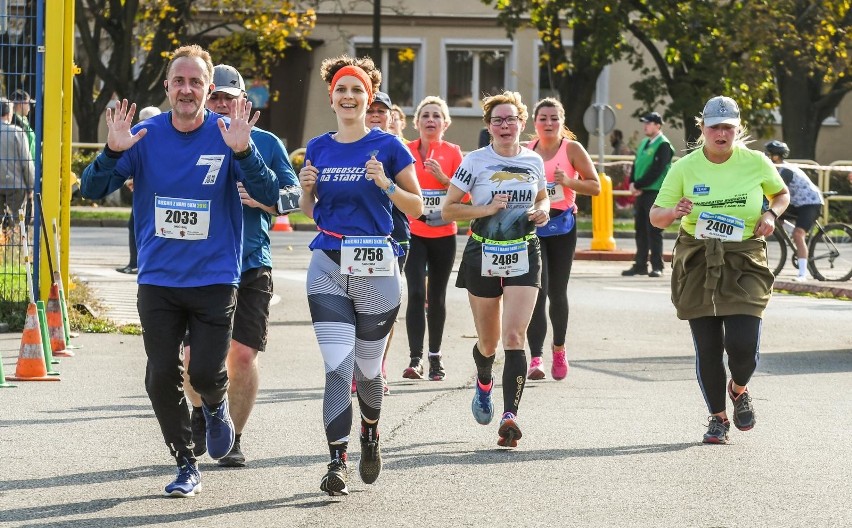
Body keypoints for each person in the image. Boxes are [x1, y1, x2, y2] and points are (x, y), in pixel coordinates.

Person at [80, 44, 280, 497]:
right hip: (159, 281)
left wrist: (245, 152)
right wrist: (112, 152)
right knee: (160, 375)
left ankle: (215, 407)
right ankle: (186, 463)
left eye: (196, 82)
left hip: (214, 279)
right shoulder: (144, 135)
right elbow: (92, 188)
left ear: (209, 90)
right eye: (179, 81)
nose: (187, 89)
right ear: (167, 88)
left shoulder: (229, 134)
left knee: (207, 374)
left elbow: (269, 192)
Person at [298, 54, 422, 496]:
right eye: (341, 90)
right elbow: (312, 213)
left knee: (369, 369)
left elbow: (418, 206)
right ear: (331, 97)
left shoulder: (389, 146)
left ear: (368, 98)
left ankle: (370, 432)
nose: (348, 97)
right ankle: (337, 460)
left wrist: (387, 184)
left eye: (357, 91)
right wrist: (307, 191)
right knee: (337, 367)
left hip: (378, 268)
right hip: (328, 264)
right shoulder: (317, 146)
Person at [649, 95, 789, 445]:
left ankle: (739, 388)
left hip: (745, 257)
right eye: (715, 127)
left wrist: (771, 214)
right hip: (698, 258)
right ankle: (718, 418)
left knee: (743, 347)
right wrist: (675, 212)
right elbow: (656, 217)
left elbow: (781, 194)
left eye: (728, 127)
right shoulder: (684, 167)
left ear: (737, 128)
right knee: (708, 346)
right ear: (703, 129)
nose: (722, 133)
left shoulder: (755, 162)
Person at [182, 64, 298, 468]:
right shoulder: (190, 138)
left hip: (251, 262)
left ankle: (234, 437)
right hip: (201, 263)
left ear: (242, 101)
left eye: (228, 98)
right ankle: (203, 412)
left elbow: (293, 196)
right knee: (194, 358)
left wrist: (264, 200)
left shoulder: (266, 142)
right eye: (214, 97)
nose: (220, 104)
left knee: (243, 356)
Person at [442, 91, 550, 448]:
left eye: (511, 119)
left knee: (514, 337)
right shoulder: (474, 161)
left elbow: (541, 195)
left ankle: (510, 417)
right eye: (498, 120)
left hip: (524, 251)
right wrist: (485, 210)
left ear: (522, 123)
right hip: (483, 252)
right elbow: (449, 210)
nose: (505, 126)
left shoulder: (533, 159)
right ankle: (484, 378)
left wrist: (544, 210)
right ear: (488, 126)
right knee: (488, 343)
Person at [524, 98, 600, 381]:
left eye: (554, 118)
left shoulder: (572, 149)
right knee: (536, 291)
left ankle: (559, 348)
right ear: (535, 122)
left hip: (563, 227)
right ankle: (535, 358)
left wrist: (568, 182)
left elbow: (596, 186)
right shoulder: (526, 151)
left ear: (562, 121)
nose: (548, 123)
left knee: (557, 292)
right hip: (533, 226)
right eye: (543, 118)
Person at [402, 96, 463, 381]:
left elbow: (468, 196)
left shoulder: (453, 153)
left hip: (444, 235)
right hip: (414, 233)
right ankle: (415, 359)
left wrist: (443, 179)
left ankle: (435, 357)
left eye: (436, 115)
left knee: (436, 297)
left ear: (445, 123)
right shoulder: (406, 151)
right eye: (425, 115)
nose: (430, 120)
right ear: (416, 123)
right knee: (415, 293)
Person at [362, 90, 408, 395]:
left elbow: (414, 199)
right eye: (371, 110)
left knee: (386, 306)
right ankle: (359, 366)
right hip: (356, 236)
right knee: (356, 305)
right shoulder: (347, 144)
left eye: (382, 110)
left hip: (395, 234)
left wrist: (387, 182)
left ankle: (378, 366)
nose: (376, 115)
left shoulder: (397, 149)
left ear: (391, 115)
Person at [623, 112, 674, 278]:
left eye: (649, 123)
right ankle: (640, 264)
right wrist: (632, 183)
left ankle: (657, 265)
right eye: (645, 123)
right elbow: (636, 164)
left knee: (654, 230)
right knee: (640, 230)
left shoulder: (664, 145)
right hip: (642, 192)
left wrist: (637, 184)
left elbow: (657, 170)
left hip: (655, 192)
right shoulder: (645, 142)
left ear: (658, 125)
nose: (645, 126)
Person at [764, 140, 824, 281]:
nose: (766, 156)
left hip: (810, 203)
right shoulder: (777, 169)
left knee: (798, 234)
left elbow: (776, 191)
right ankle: (793, 232)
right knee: (774, 214)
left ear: (776, 157)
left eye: (769, 154)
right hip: (797, 203)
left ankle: (803, 274)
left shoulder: (786, 171)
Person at [116, 106, 162, 274]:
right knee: (136, 225)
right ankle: (136, 263)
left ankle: (138, 264)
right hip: (147, 193)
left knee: (141, 226)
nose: (143, 124)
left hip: (153, 195)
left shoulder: (149, 139)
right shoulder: (144, 139)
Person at [0, 98, 34, 227]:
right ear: (9, 113)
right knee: (18, 220)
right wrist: (30, 186)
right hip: (15, 184)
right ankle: (18, 241)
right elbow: (27, 163)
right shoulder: (17, 133)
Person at [609, 129, 636, 209]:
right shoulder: (618, 149)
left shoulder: (622, 149)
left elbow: (622, 167)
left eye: (612, 137)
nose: (610, 140)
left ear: (617, 137)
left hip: (623, 181)